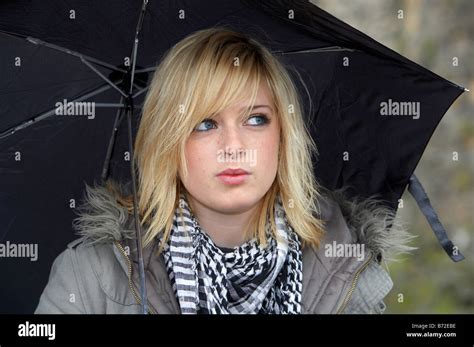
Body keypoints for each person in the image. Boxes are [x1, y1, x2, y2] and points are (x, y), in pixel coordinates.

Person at [35, 27, 414, 314]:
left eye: (255, 119)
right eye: (205, 124)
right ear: (168, 140)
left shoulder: (344, 267)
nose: (234, 147)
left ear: (284, 135)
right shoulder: (88, 277)